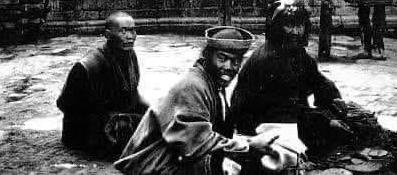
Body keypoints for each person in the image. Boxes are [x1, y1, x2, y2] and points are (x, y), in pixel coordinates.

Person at [115, 26, 280, 174]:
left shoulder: (213, 85)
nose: (229, 67)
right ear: (207, 55)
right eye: (222, 58)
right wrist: (248, 146)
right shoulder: (193, 86)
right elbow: (197, 144)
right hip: (150, 166)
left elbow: (211, 136)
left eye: (236, 61)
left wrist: (249, 143)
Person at [231, 0, 348, 156]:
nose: (296, 32)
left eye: (300, 25)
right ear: (278, 27)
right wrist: (326, 121)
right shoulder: (268, 60)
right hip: (262, 125)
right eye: (290, 26)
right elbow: (287, 109)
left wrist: (334, 99)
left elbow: (318, 80)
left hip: (287, 116)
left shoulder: (295, 52)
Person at [57, 12, 148, 157]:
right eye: (123, 31)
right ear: (107, 34)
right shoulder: (88, 65)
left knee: (157, 119)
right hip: (87, 126)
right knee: (125, 129)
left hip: (116, 116)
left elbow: (133, 95)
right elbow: (65, 104)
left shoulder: (130, 55)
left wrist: (155, 111)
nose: (130, 36)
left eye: (133, 30)